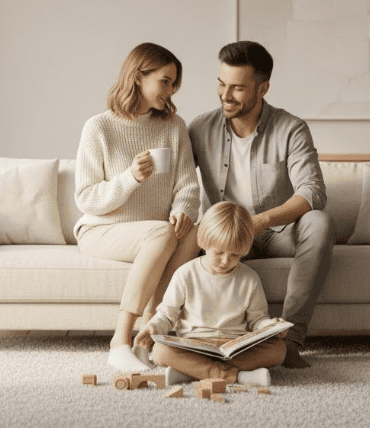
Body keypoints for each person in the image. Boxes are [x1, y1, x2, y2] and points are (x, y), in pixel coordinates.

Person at [188, 40, 331, 369]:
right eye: (221, 84)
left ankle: (291, 341)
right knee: (185, 234)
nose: (225, 95)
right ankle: (197, 338)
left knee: (320, 222)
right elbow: (177, 182)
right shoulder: (200, 128)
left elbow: (313, 191)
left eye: (237, 88)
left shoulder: (291, 128)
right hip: (227, 236)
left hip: (278, 232)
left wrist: (262, 220)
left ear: (262, 88)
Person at [74, 42, 201, 372]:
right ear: (138, 76)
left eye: (174, 84)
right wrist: (130, 178)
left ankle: (150, 331)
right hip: (101, 231)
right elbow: (86, 197)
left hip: (155, 233)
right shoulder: (99, 127)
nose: (171, 91)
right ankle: (120, 339)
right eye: (165, 81)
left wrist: (184, 209)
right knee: (160, 233)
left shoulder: (173, 126)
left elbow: (187, 184)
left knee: (197, 234)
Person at [134, 201, 288, 386]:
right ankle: (237, 377)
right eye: (219, 253)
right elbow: (167, 315)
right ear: (205, 242)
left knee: (278, 349)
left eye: (235, 255)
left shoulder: (249, 278)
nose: (225, 261)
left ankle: (193, 372)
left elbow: (256, 320)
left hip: (235, 346)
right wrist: (153, 327)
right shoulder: (185, 273)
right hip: (194, 345)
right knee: (160, 351)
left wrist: (270, 327)